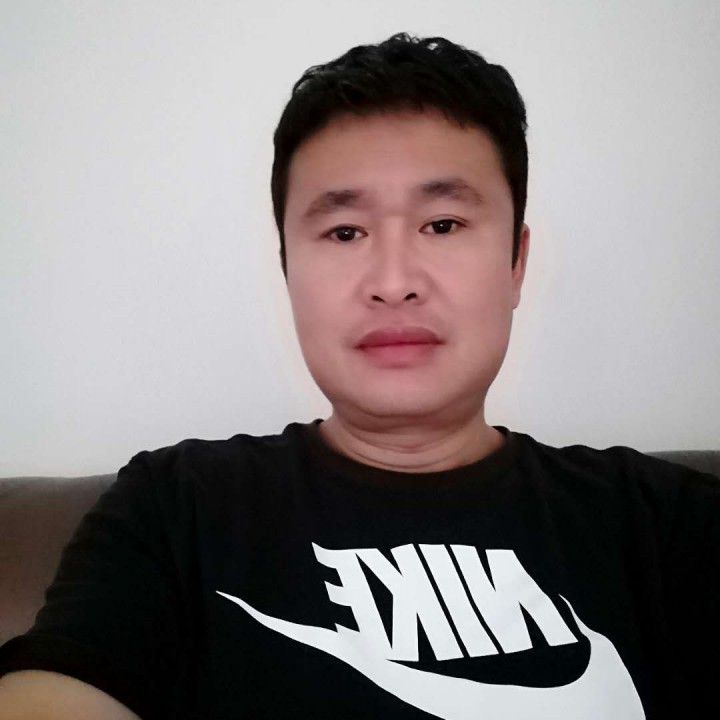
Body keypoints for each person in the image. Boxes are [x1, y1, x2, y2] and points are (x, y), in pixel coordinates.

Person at [0, 31, 717, 720]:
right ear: (287, 268)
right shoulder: (175, 508)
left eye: (443, 224)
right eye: (344, 232)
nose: (394, 282)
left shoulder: (666, 522)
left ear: (516, 263)